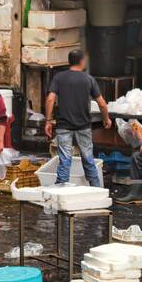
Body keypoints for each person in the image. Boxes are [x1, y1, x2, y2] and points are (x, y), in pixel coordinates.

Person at [44, 50, 110, 187]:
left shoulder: (58, 78)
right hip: (84, 126)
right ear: (82, 61)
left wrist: (48, 121)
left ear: (69, 61)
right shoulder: (89, 79)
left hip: (63, 126)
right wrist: (106, 119)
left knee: (65, 160)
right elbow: (102, 104)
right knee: (88, 159)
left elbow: (50, 100)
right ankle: (96, 190)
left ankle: (60, 191)